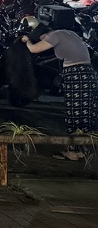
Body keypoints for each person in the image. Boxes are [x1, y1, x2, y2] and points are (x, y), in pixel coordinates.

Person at [22, 26, 97, 161]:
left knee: (74, 113)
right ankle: (83, 150)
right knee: (85, 113)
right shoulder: (68, 33)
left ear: (42, 36)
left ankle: (73, 152)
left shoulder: (53, 36)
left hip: (76, 75)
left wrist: (27, 40)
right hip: (88, 73)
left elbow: (34, 49)